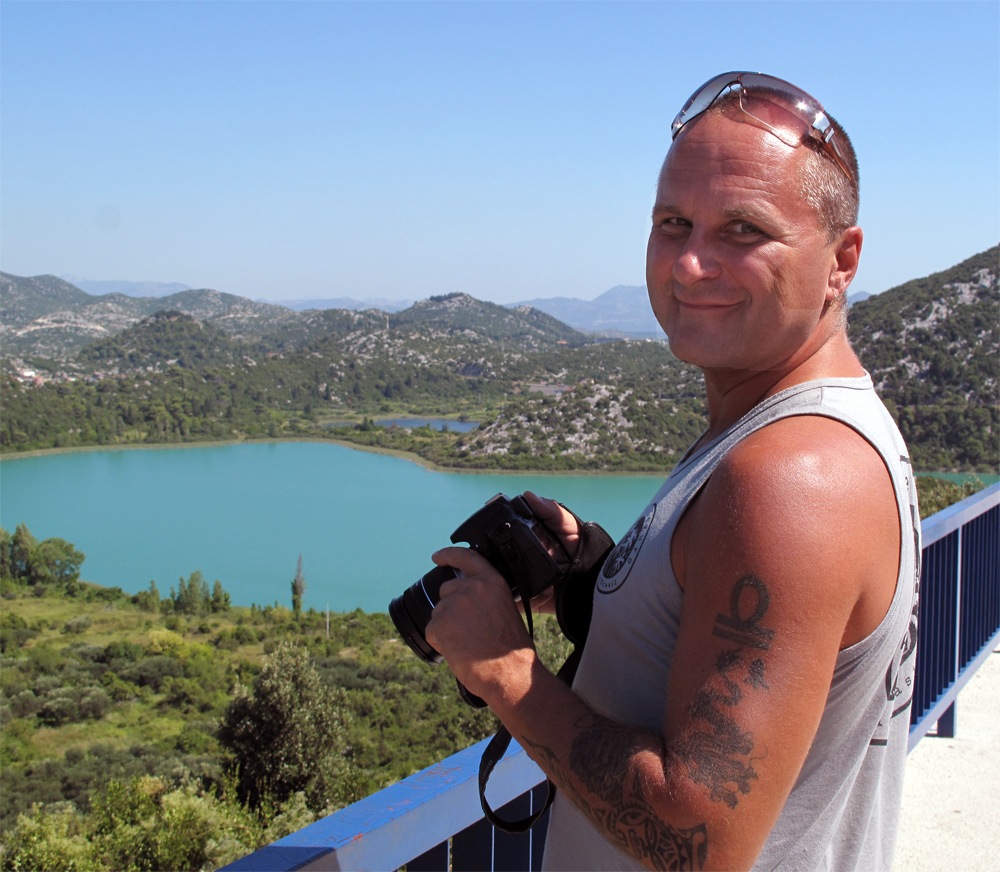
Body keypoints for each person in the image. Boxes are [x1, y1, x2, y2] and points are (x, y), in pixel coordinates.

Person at [426, 72, 920, 871]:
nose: (690, 264)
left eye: (743, 230)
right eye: (673, 223)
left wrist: (509, 676)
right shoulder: (789, 430)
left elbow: (701, 840)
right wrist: (599, 579)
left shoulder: (790, 477)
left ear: (842, 260)